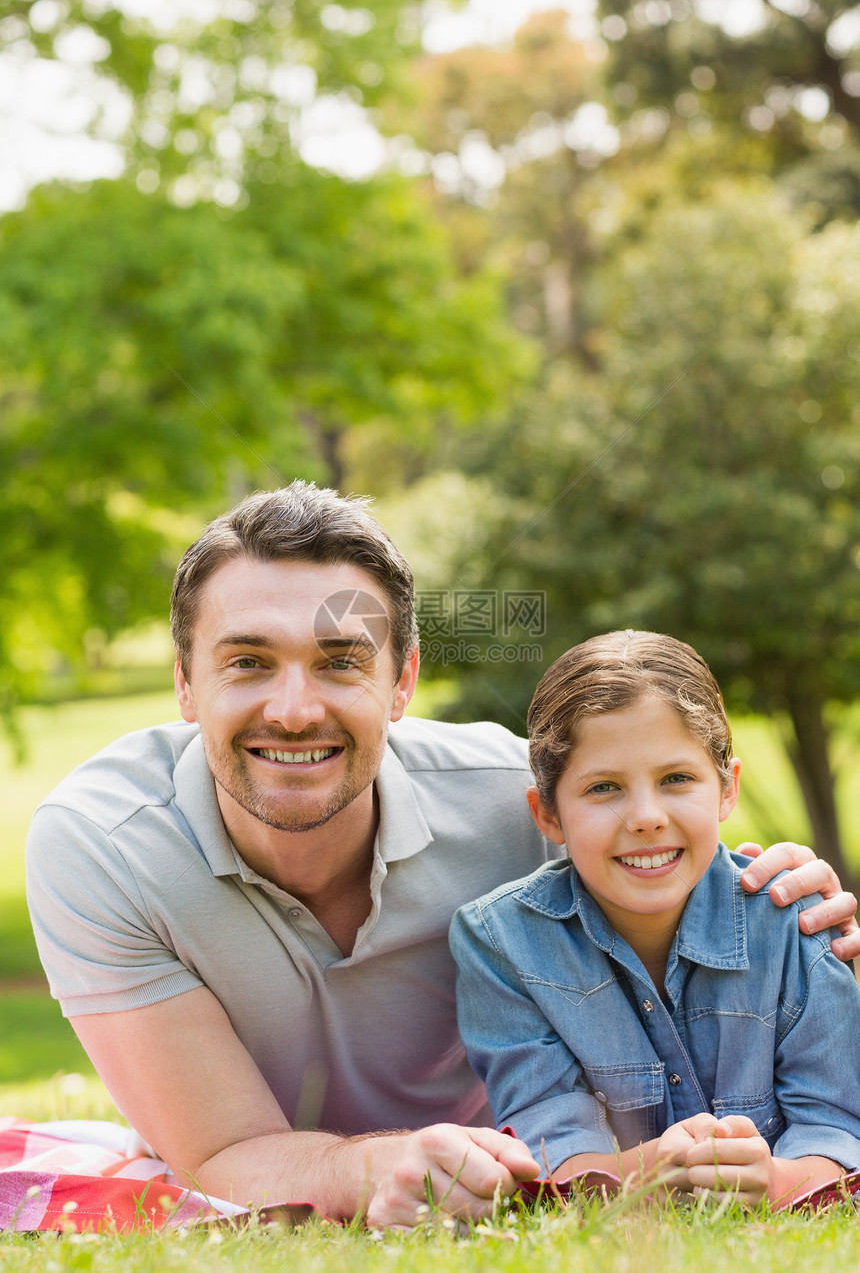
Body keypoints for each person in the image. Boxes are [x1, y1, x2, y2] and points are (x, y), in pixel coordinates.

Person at [25, 484, 860, 1228]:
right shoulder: (102, 847)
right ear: (182, 683)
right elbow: (220, 1154)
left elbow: (666, 854)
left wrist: (779, 894)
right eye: (247, 662)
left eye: (339, 663)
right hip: (339, 1159)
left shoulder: (515, 801)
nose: (292, 708)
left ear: (402, 682)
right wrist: (371, 1167)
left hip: (519, 1154)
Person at [451, 631, 860, 1206]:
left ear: (726, 788)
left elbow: (837, 1129)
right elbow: (552, 1146)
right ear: (547, 813)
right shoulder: (500, 942)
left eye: (676, 779)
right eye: (604, 787)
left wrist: (775, 1181)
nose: (646, 817)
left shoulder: (796, 923)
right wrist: (659, 1167)